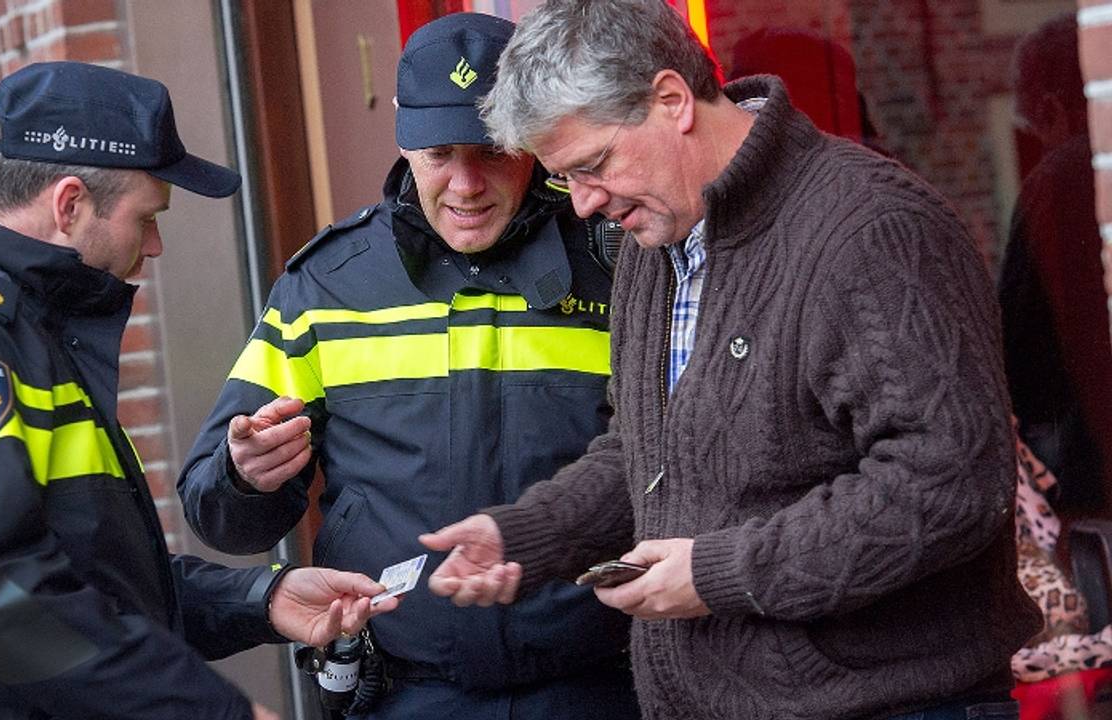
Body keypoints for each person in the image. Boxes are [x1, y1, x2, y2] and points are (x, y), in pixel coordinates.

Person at [419, 1, 1042, 719]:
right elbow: (646, 453)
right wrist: (526, 534)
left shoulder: (872, 228)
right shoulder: (655, 236)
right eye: (565, 179)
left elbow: (951, 481)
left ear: (672, 100)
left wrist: (721, 573)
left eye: (593, 165)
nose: (584, 204)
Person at [0, 61, 396, 720]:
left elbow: (88, 576)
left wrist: (261, 599)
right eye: (147, 216)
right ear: (70, 204)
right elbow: (0, 602)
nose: (154, 245)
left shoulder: (11, 325)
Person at [177, 12, 638, 720]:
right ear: (403, 138)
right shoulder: (327, 284)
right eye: (439, 153)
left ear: (531, 136)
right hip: (405, 693)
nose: (465, 183)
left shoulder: (620, 266)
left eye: (491, 151)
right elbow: (221, 521)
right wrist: (243, 477)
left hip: (602, 686)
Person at [998, 12, 1111, 518]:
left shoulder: (1056, 182)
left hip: (1092, 453)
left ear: (1050, 107)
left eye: (1032, 127)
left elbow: (1019, 346)